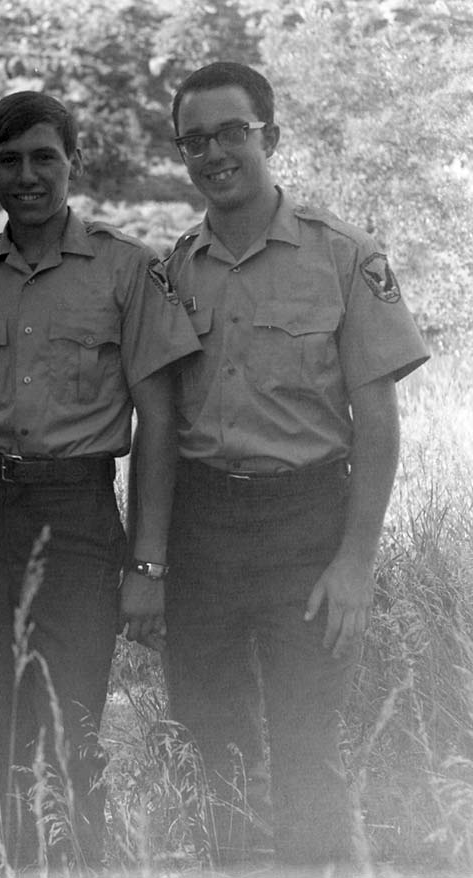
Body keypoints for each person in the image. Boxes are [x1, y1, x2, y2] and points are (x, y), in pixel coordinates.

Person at [0, 91, 199, 870]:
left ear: (74, 162)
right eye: (10, 160)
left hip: (74, 513)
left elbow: (158, 426)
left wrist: (147, 565)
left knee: (72, 728)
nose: (28, 175)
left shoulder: (128, 269)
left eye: (45, 158)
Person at [161, 61, 429, 870]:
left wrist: (355, 562)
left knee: (309, 742)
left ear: (269, 136)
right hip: (202, 527)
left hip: (307, 524)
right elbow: (163, 421)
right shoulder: (172, 269)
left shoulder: (343, 255)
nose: (214, 153)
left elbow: (376, 421)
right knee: (215, 744)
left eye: (231, 132)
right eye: (195, 140)